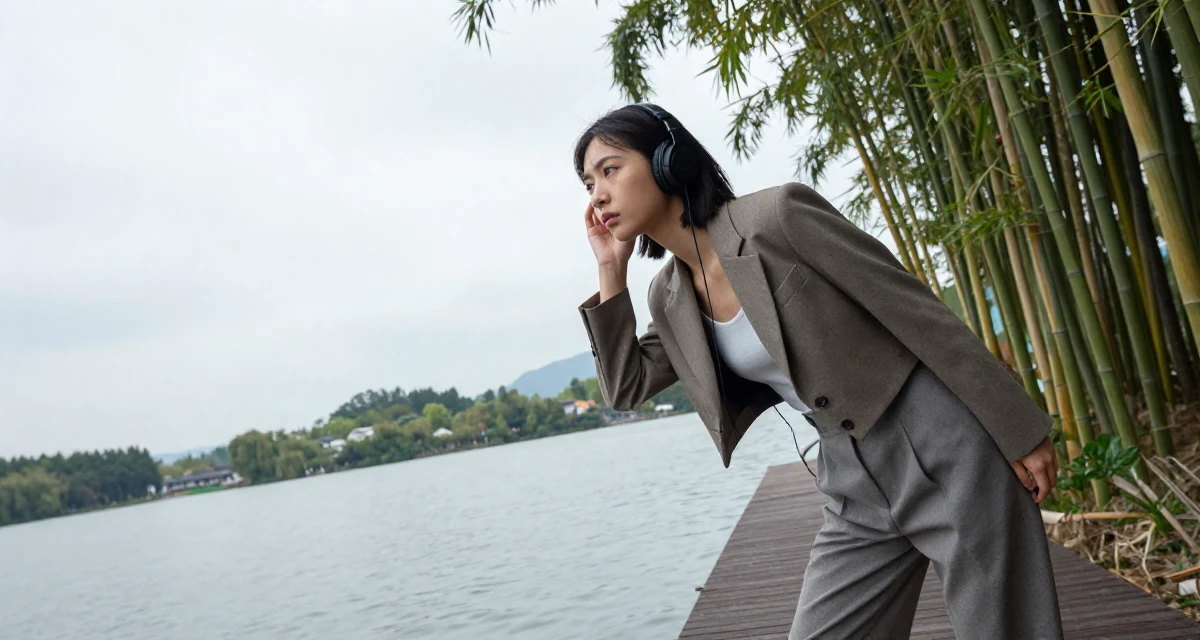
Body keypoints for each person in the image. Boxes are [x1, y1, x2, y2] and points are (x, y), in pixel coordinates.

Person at [573, 103, 1063, 639]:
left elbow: (918, 314)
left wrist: (1019, 428)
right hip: (850, 481)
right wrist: (608, 270)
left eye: (610, 169)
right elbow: (627, 386)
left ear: (670, 161)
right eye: (588, 180)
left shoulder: (777, 217)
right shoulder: (667, 297)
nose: (597, 193)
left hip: (943, 445)